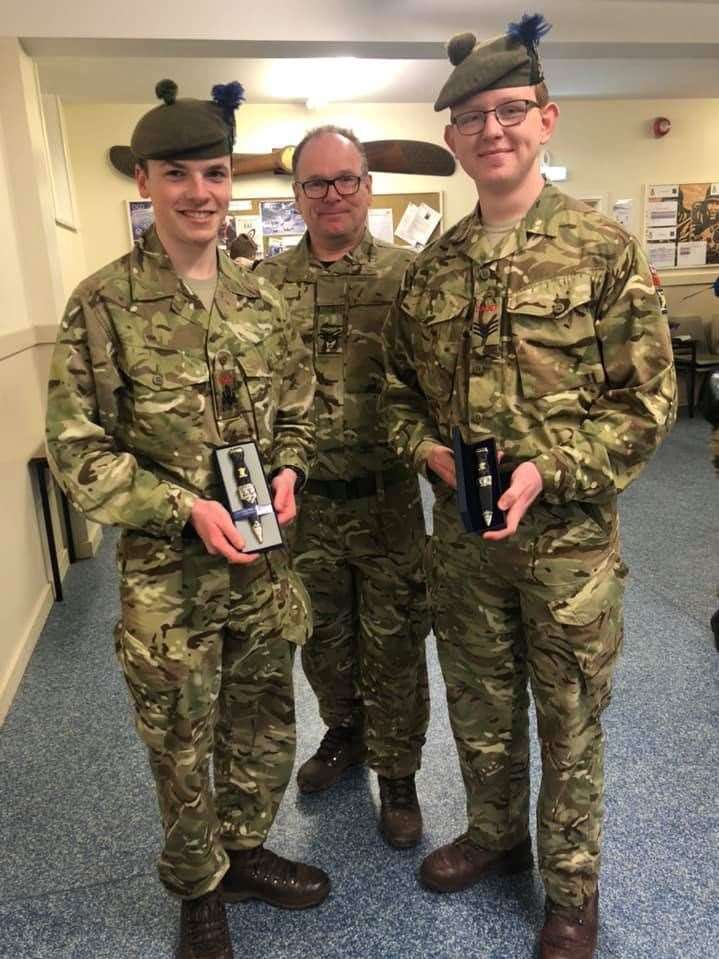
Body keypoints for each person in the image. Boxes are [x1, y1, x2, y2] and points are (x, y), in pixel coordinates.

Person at [381, 15, 677, 959]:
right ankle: (495, 831)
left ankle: (572, 886)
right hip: (464, 547)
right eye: (471, 117)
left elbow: (648, 402)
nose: (492, 130)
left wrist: (551, 467)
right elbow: (394, 396)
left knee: (568, 716)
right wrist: (426, 451)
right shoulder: (434, 270)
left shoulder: (601, 251)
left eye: (510, 111)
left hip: (567, 549)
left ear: (545, 120)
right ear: (451, 140)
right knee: (477, 701)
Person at [45, 79, 328, 959]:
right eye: (178, 174)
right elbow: (75, 446)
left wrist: (287, 469)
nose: (199, 192)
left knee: (261, 718)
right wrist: (181, 506)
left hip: (261, 562)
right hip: (170, 574)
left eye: (213, 173)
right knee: (179, 734)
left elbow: (300, 411)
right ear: (144, 181)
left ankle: (244, 850)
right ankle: (197, 886)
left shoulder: (265, 300)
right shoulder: (101, 305)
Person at [255, 126, 430, 849]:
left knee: (394, 643)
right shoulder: (263, 287)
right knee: (321, 639)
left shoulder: (408, 276)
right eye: (315, 183)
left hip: (386, 496)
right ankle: (345, 733)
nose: (332, 195)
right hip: (305, 508)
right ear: (296, 194)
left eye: (346, 180)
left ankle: (398, 773)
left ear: (368, 185)